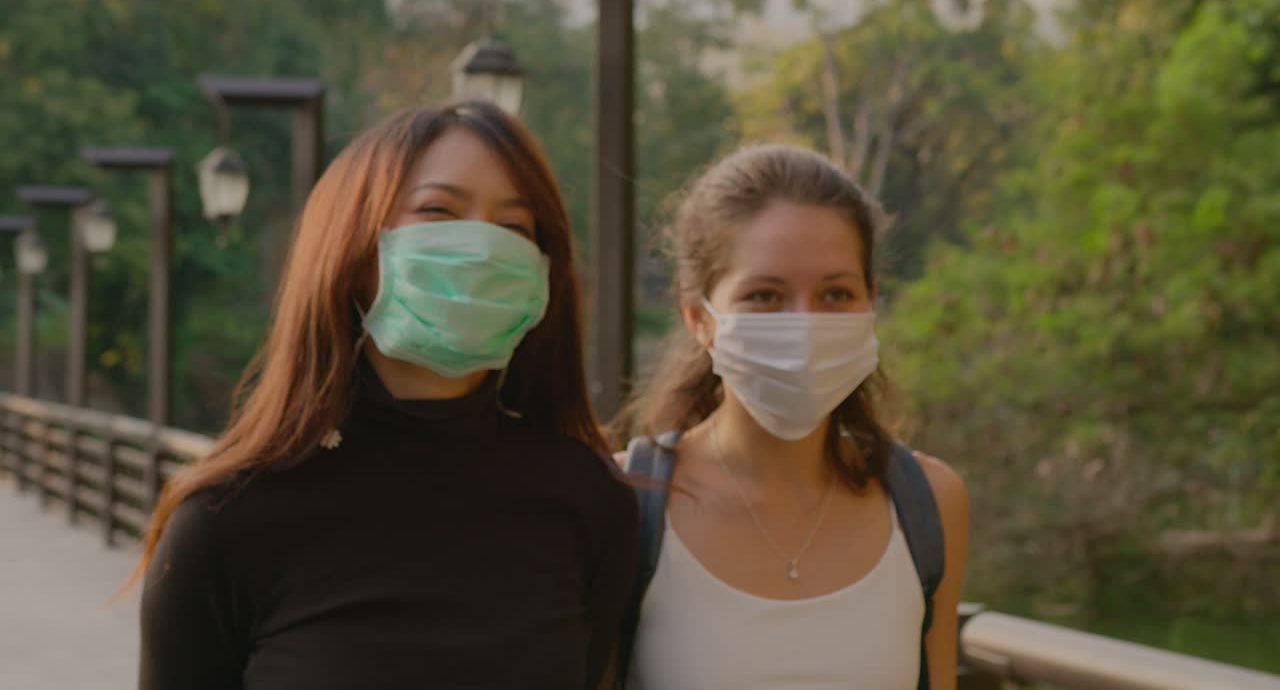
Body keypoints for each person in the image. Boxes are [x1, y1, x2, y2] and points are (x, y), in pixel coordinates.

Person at [136, 101, 638, 690]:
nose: (478, 248)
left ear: (543, 272)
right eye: (438, 211)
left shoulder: (588, 499)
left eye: (513, 229)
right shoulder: (228, 517)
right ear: (352, 254)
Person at [615, 144, 969, 689]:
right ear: (698, 317)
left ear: (870, 303)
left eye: (835, 293)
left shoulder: (928, 502)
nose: (804, 328)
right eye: (765, 295)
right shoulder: (621, 501)